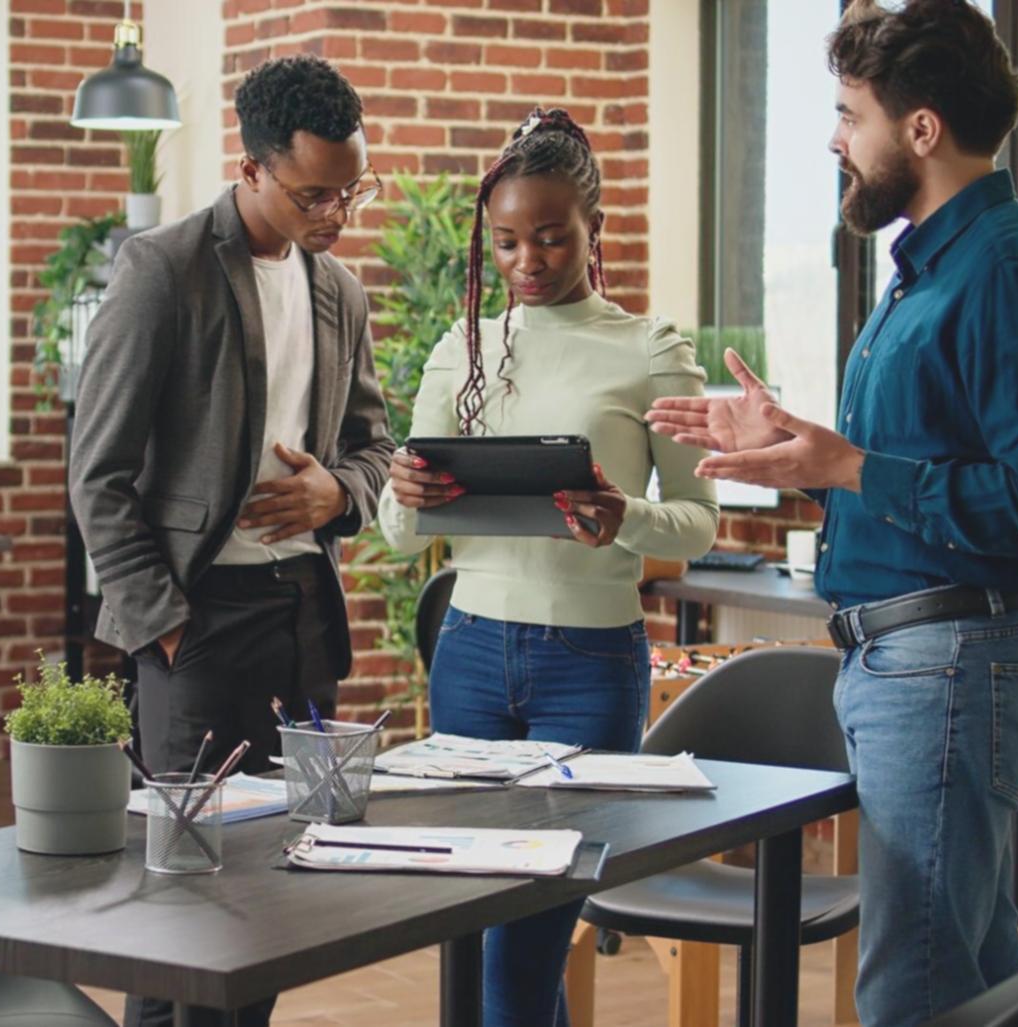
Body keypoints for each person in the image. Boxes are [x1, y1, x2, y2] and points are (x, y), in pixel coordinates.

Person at [645, 3, 1018, 1023]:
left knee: (917, 984)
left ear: (920, 130)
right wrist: (801, 453)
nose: (831, 139)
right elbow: (913, 477)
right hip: (910, 661)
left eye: (848, 115)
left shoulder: (1009, 272)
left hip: (950, 660)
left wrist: (850, 464)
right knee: (971, 973)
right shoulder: (926, 277)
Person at [67, 54, 394, 1027]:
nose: (335, 213)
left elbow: (374, 445)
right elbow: (98, 472)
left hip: (301, 617)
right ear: (249, 169)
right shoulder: (161, 269)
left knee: (273, 901)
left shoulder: (340, 292)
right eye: (312, 194)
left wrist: (340, 491)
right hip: (196, 622)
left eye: (348, 190)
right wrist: (164, 624)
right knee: (183, 907)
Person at [380, 107, 718, 1026]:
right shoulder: (461, 348)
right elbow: (398, 537)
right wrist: (407, 488)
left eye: (550, 237)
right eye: (506, 242)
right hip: (470, 657)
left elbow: (696, 524)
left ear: (592, 229)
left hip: (590, 664)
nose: (526, 260)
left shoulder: (651, 351)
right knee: (490, 924)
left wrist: (623, 516)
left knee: (522, 948)